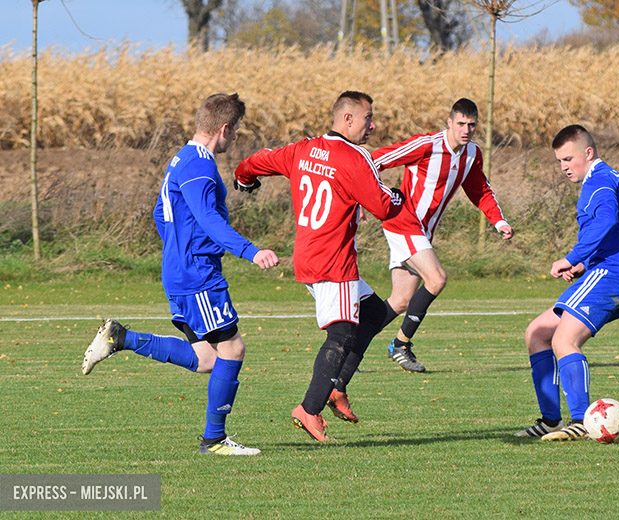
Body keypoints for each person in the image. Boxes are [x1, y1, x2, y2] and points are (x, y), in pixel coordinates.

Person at [81, 93, 279, 456]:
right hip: (198, 275)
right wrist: (251, 251)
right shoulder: (200, 166)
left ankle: (121, 337)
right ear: (224, 128)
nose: (236, 138)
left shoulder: (181, 159)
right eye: (236, 131)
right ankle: (214, 441)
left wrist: (177, 246)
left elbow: (160, 212)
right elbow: (209, 219)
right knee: (233, 349)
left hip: (181, 270)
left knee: (207, 359)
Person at [234, 90, 405, 441]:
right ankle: (309, 408)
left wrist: (244, 176)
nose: (373, 125)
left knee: (373, 313)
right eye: (368, 117)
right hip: (333, 260)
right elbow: (382, 206)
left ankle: (336, 387)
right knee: (341, 333)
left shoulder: (303, 149)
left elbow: (261, 159)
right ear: (348, 119)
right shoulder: (354, 157)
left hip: (309, 255)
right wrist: (398, 195)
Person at [514, 124, 619, 441]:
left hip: (615, 274)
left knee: (563, 341)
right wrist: (583, 263)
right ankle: (550, 420)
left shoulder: (599, 180)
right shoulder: (604, 178)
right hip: (616, 274)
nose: (564, 167)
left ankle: (579, 421)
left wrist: (573, 257)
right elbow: (616, 230)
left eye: (568, 159)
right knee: (537, 333)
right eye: (559, 161)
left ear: (588, 153)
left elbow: (606, 219)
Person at [369, 97, 514, 372]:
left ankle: (350, 344)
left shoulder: (472, 154)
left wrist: (499, 222)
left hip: (422, 232)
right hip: (403, 222)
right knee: (436, 279)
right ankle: (400, 345)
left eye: (471, 125)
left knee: (401, 300)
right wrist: (368, 199)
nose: (466, 130)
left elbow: (480, 190)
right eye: (461, 123)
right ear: (449, 122)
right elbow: (374, 160)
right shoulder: (427, 145)